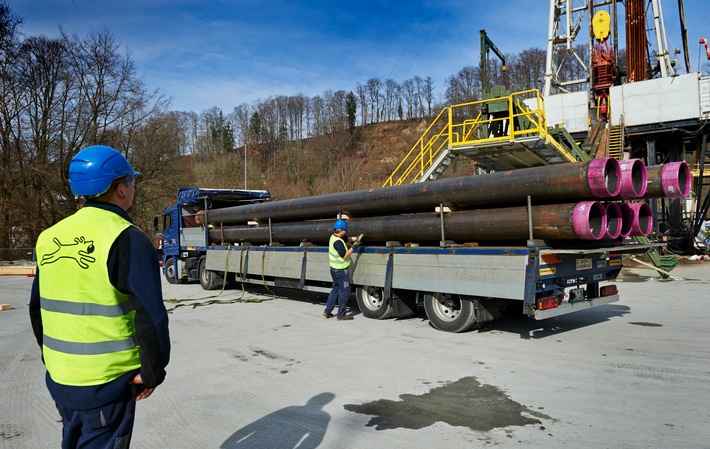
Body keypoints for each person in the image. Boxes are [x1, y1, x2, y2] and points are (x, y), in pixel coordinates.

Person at [29, 145, 171, 449]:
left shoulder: (49, 237)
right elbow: (151, 316)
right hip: (106, 385)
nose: (133, 188)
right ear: (120, 189)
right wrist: (152, 372)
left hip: (60, 379)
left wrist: (54, 360)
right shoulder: (126, 237)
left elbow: (36, 308)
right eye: (132, 182)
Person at [323, 219, 359, 321]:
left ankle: (327, 311)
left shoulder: (333, 237)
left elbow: (346, 239)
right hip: (341, 271)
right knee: (343, 291)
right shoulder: (338, 242)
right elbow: (344, 255)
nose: (346, 232)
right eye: (345, 230)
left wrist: (355, 238)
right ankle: (341, 314)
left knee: (335, 290)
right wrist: (354, 246)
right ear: (342, 230)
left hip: (334, 270)